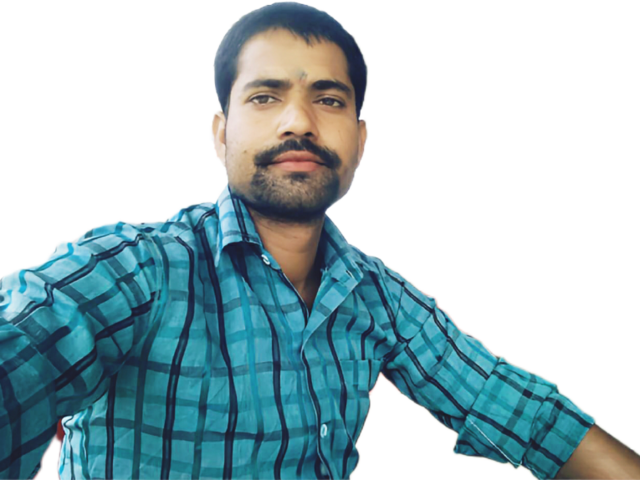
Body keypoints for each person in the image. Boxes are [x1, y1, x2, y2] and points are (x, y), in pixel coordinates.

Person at [1, 1, 638, 479]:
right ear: (220, 133)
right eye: (265, 97)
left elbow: (511, 406)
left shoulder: (377, 294)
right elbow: (27, 342)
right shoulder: (137, 265)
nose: (299, 122)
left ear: (359, 140)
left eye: (329, 100)